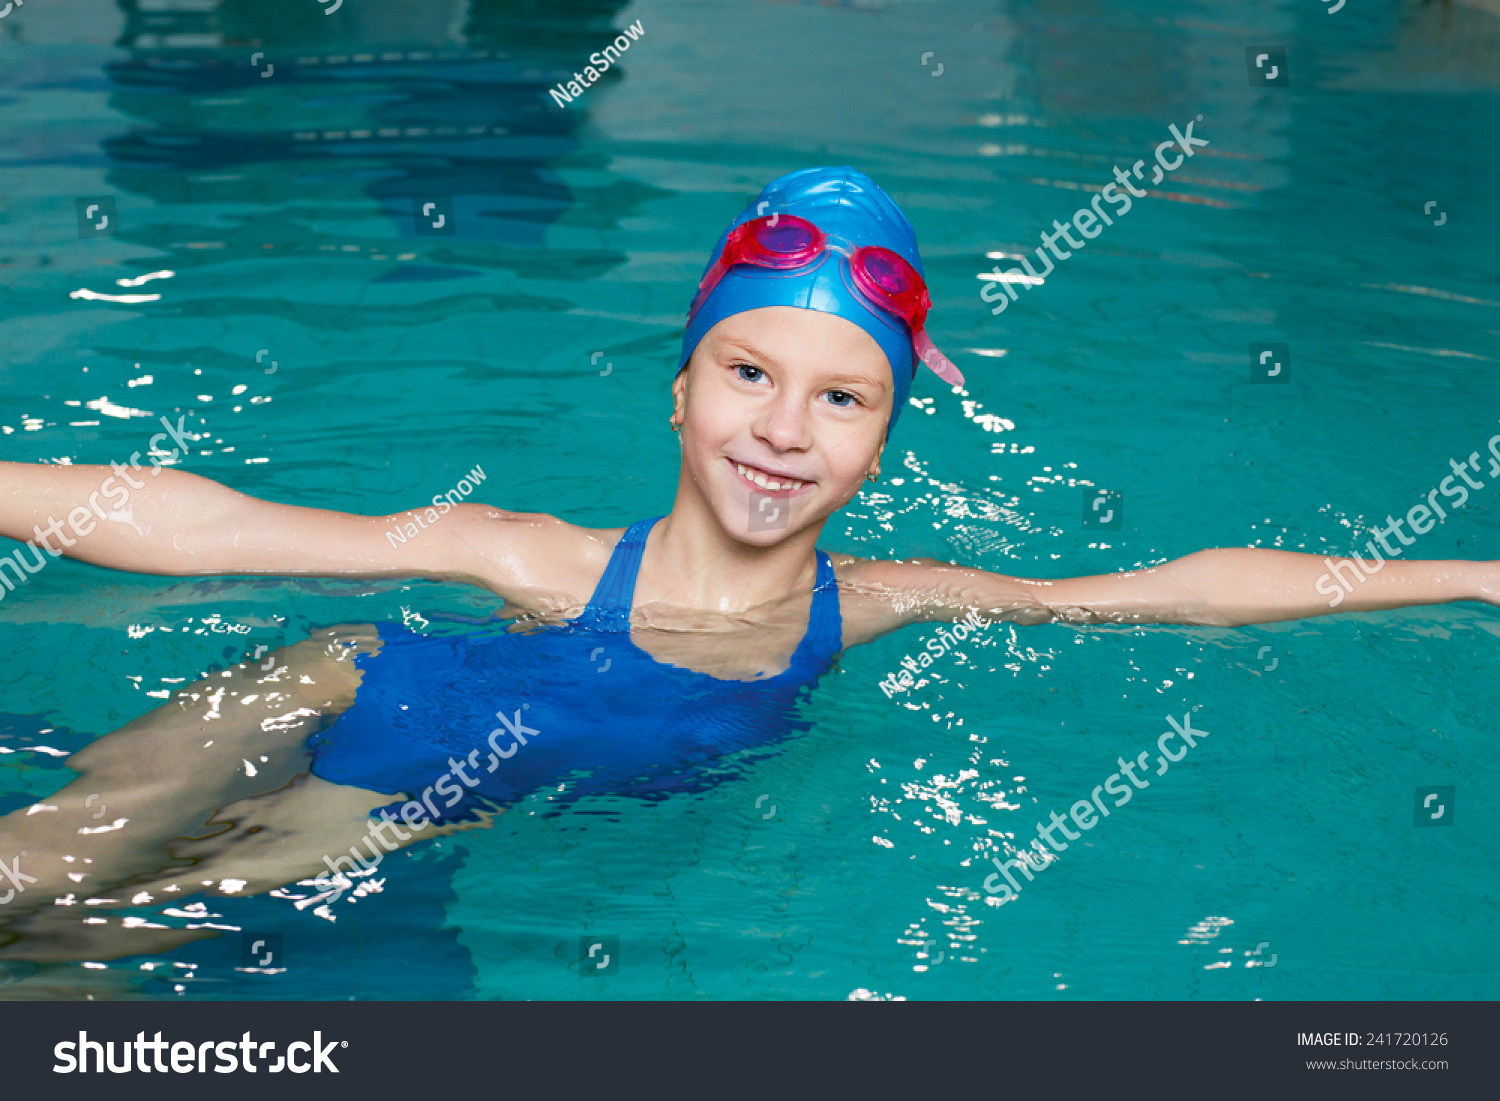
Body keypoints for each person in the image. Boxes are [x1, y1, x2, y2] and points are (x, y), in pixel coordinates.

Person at [0, 167, 1494, 964]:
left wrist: (1470, 578)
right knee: (38, 865)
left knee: (102, 956)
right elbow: (220, 525)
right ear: (678, 388)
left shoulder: (872, 608)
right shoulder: (539, 555)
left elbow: (1173, 586)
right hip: (318, 689)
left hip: (426, 804)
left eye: (840, 396)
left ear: (886, 437)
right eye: (746, 373)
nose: (782, 430)